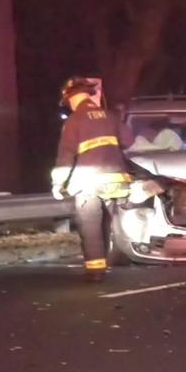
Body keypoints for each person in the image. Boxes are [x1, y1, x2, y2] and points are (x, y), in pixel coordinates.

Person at [50, 76, 131, 282]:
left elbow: (66, 156)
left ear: (71, 100)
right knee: (113, 221)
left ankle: (96, 271)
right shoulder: (111, 116)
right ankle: (120, 255)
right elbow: (128, 141)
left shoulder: (74, 121)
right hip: (117, 180)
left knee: (90, 225)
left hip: (88, 181)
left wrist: (59, 184)